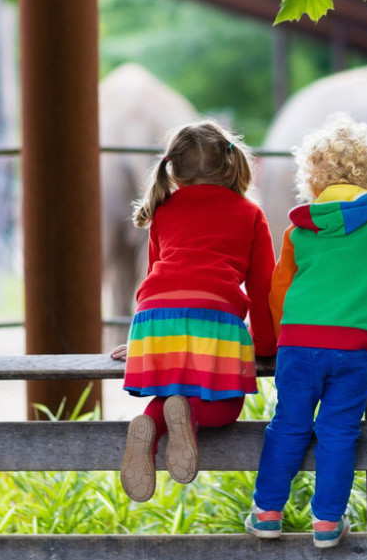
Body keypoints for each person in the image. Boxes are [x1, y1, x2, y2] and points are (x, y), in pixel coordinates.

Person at [244, 113, 367, 547]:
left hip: (297, 346)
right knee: (338, 432)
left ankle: (267, 514)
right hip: (355, 350)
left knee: (288, 426)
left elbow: (279, 288)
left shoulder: (300, 227)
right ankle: (327, 523)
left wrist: (276, 342)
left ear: (312, 178)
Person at [111, 120, 277, 503]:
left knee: (170, 394)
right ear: (231, 164)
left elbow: (156, 278)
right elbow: (264, 287)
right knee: (225, 407)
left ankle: (150, 425)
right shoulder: (250, 214)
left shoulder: (163, 210)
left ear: (175, 171)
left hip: (153, 321)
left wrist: (139, 342)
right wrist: (266, 344)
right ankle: (190, 414)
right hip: (214, 316)